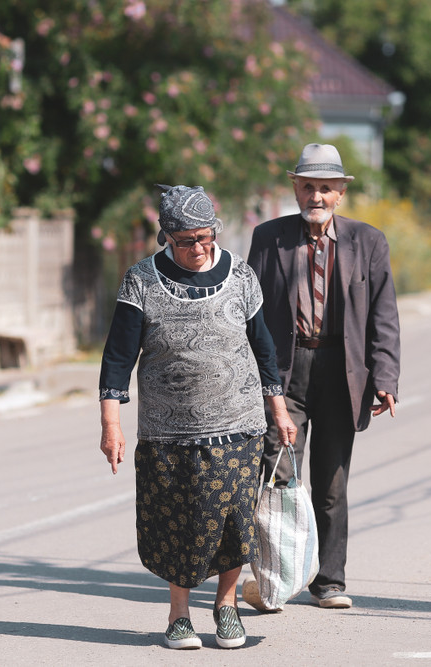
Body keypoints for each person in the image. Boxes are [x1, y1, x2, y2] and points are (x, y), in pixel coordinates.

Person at [99, 184, 297, 650]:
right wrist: (111, 424)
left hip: (239, 424)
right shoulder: (141, 280)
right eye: (187, 240)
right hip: (169, 430)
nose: (199, 248)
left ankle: (226, 607)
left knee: (234, 520)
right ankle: (179, 615)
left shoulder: (242, 276)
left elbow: (264, 349)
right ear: (166, 236)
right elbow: (118, 357)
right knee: (179, 521)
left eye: (206, 237)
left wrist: (279, 410)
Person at [245, 143, 401, 610]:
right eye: (308, 186)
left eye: (326, 188)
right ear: (295, 189)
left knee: (331, 485)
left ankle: (329, 580)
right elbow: (249, 311)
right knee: (278, 477)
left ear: (340, 194)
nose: (317, 196)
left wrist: (386, 377)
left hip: (341, 373)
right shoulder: (268, 238)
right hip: (285, 374)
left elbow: (384, 315)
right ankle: (277, 579)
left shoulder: (368, 242)